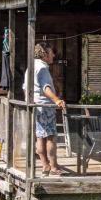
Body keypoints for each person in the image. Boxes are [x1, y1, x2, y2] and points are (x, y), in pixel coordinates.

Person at [25, 42, 66, 176]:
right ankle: (53, 167)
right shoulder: (42, 68)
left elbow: (25, 87)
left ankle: (45, 165)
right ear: (44, 54)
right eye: (51, 52)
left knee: (39, 137)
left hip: (35, 106)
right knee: (50, 137)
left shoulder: (31, 66)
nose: (53, 54)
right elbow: (46, 88)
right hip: (45, 106)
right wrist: (57, 100)